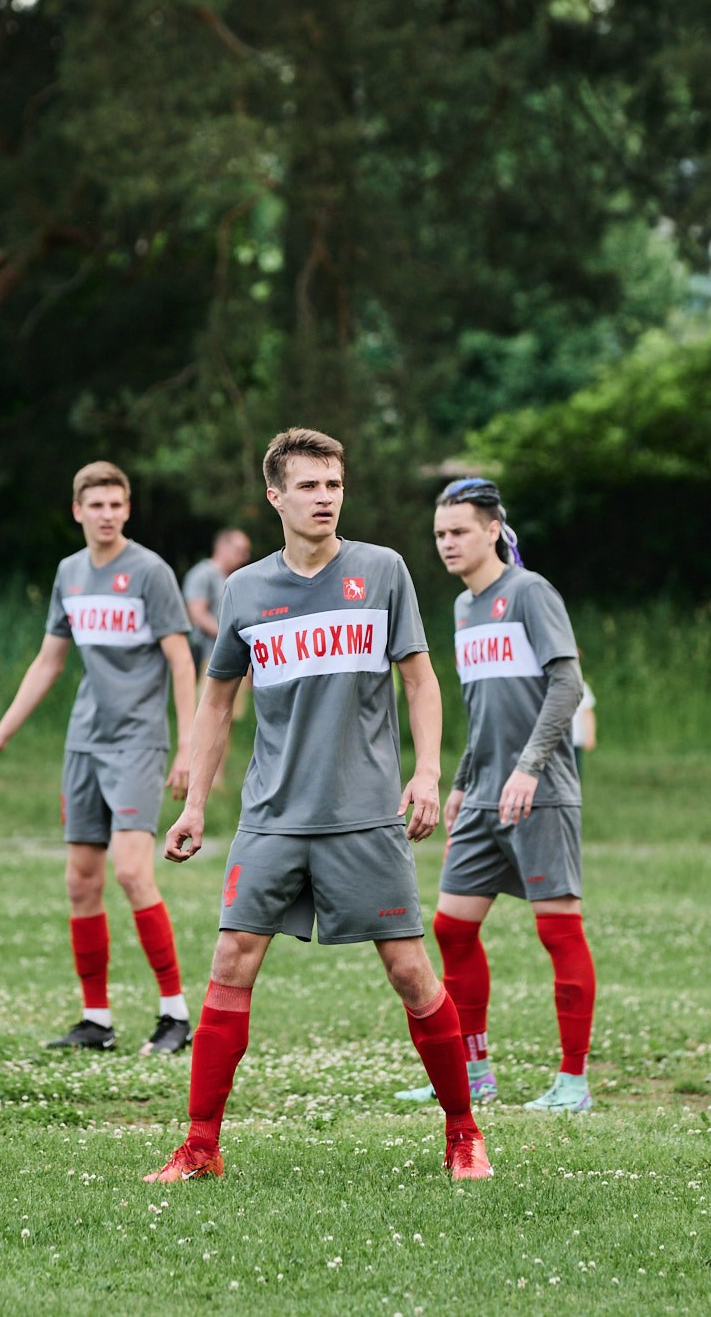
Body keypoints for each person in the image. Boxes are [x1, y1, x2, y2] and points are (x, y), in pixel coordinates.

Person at [148, 428, 491, 1183]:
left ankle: (464, 1133)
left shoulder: (383, 570)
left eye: (334, 484)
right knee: (230, 962)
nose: (326, 497)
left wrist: (428, 771)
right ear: (276, 496)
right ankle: (200, 1144)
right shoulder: (245, 590)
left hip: (365, 817)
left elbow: (422, 682)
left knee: (410, 970)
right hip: (271, 817)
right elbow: (213, 706)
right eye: (309, 485)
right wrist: (195, 805)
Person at [0, 462, 199, 1055]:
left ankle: (175, 1017)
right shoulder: (69, 573)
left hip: (139, 740)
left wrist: (188, 746)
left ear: (127, 508)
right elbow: (49, 662)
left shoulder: (150, 571)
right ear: (78, 510)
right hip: (83, 742)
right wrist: (0, 735)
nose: (107, 513)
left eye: (116, 504)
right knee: (80, 881)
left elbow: (182, 662)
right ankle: (97, 1021)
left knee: (132, 872)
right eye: (96, 505)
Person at [394, 478, 596, 1114]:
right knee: (452, 929)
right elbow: (483, 712)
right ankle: (472, 1071)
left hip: (541, 793)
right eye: (439, 535)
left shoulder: (531, 593)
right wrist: (459, 783)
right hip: (483, 795)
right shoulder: (462, 609)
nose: (447, 543)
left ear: (491, 531)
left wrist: (530, 767)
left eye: (458, 531)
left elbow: (567, 686)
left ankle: (572, 1083)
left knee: (558, 931)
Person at [181, 529, 251, 672]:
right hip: (207, 656)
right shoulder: (203, 574)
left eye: (246, 551)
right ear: (221, 547)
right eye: (239, 550)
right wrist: (230, 636)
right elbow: (197, 614)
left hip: (233, 657)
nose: (245, 556)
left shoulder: (236, 578)